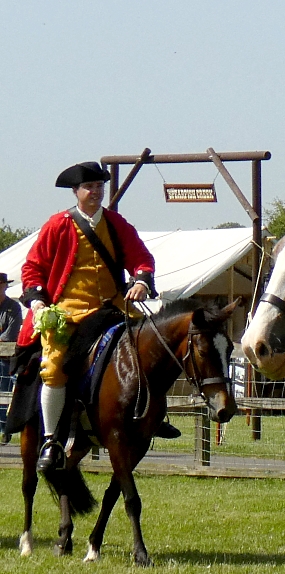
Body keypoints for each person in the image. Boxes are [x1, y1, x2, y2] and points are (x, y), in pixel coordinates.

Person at [15, 161, 176, 471]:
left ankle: (155, 416)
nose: (96, 192)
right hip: (68, 311)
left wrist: (142, 280)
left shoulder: (117, 224)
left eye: (100, 186)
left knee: (150, 350)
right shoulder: (58, 225)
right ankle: (50, 441)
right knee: (54, 365)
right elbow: (32, 267)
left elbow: (141, 258)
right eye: (89, 187)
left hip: (112, 307)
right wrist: (36, 300)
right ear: (76, 192)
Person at [0, 272, 23, 439]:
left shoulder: (13, 307)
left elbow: (10, 335)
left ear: (5, 286)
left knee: (4, 390)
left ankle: (3, 429)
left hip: (5, 359)